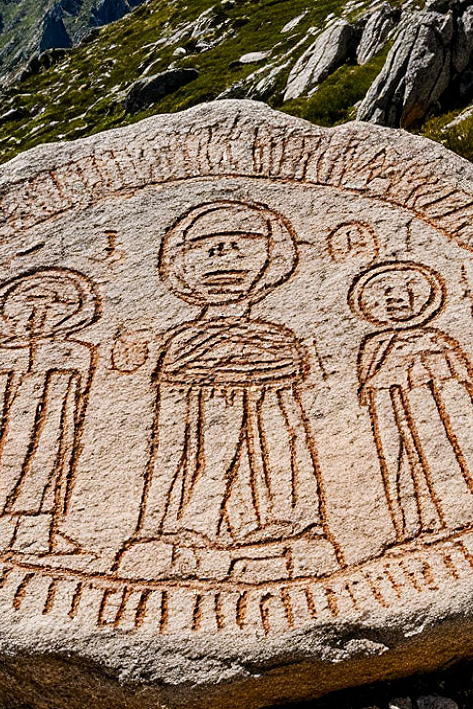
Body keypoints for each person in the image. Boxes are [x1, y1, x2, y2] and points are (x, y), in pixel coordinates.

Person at [120, 200, 339, 583]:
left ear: (270, 257)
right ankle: (183, 529)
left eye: (242, 243)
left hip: (266, 439)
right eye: (206, 246)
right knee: (199, 461)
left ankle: (278, 525)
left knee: (275, 455)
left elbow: (287, 429)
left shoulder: (277, 339)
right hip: (197, 440)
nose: (223, 256)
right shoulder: (182, 342)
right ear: (182, 263)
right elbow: (172, 437)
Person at [351, 261, 473, 541]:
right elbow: (371, 389)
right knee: (410, 462)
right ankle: (422, 521)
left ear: (417, 300)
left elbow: (464, 379)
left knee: (462, 450)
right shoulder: (376, 346)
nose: (394, 300)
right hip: (402, 414)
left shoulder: (436, 339)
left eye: (402, 294)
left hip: (446, 411)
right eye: (387, 296)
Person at [0, 268, 99, 555]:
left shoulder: (75, 352)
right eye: (29, 300)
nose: (40, 309)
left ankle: (34, 533)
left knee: (43, 464)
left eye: (57, 302)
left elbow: (77, 396)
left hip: (53, 418)